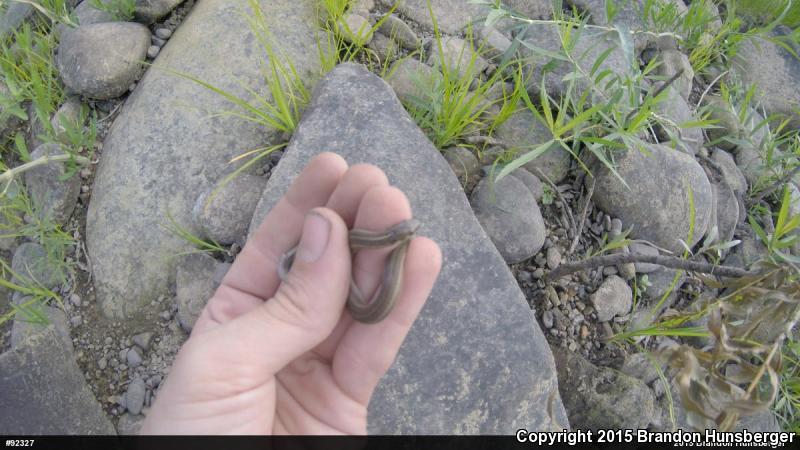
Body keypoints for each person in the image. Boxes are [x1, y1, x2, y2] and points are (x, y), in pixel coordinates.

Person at [141, 153, 443, 434]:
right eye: (407, 233)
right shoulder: (376, 242)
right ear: (398, 236)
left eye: (407, 233)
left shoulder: (387, 246)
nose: (408, 234)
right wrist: (301, 299)